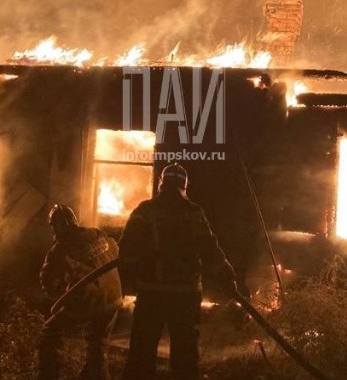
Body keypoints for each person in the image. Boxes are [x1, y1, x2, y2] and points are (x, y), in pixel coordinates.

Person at [118, 163, 238, 380]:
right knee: (185, 358)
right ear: (184, 186)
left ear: (161, 184)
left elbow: (126, 250)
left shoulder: (144, 211)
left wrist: (134, 272)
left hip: (151, 293)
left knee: (141, 354)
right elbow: (211, 249)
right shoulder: (194, 212)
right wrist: (226, 275)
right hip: (186, 295)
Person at [38, 204, 122, 380]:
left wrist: (61, 296)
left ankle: (49, 375)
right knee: (98, 345)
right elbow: (115, 252)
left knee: (49, 332)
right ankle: (94, 374)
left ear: (56, 226)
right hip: (114, 297)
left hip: (90, 301)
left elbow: (47, 282)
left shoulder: (59, 250)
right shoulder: (98, 234)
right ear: (74, 221)